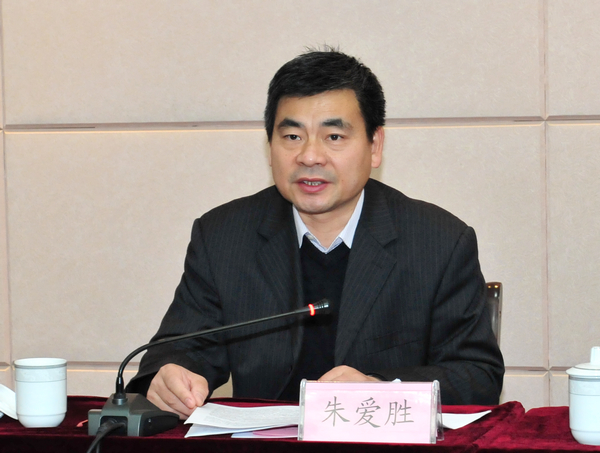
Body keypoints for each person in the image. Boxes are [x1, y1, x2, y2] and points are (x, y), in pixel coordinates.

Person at [127, 48, 504, 418]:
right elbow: (175, 352)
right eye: (292, 137)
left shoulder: (438, 242)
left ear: (375, 146)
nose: (309, 156)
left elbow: (477, 376)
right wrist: (170, 376)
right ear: (270, 146)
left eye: (334, 137)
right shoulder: (224, 237)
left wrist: (381, 387)